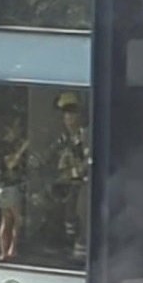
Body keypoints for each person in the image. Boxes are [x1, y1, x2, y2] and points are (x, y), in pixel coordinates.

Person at [50, 92, 90, 262]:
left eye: (71, 113)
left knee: (81, 214)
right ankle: (71, 244)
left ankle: (81, 250)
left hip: (84, 184)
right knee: (69, 215)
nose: (67, 118)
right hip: (71, 184)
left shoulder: (86, 134)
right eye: (65, 114)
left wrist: (75, 172)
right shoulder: (67, 137)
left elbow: (89, 160)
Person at [0, 131, 28, 261]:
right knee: (16, 220)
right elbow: (11, 164)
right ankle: (11, 249)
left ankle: (4, 251)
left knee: (6, 220)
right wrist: (22, 148)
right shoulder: (5, 152)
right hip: (10, 188)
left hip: (3, 189)